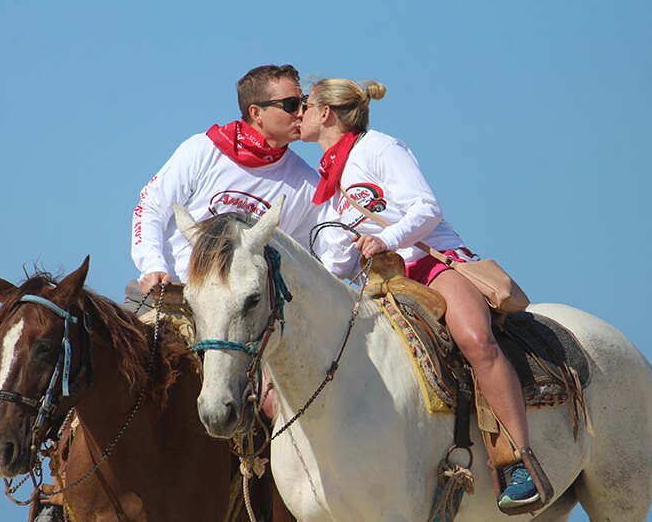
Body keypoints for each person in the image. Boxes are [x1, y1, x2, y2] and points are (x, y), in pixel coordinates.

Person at [300, 77, 542, 511]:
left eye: (304, 103)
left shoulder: (379, 147)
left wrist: (386, 238)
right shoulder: (327, 188)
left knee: (476, 341)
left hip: (431, 263)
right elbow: (337, 266)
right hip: (381, 282)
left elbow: (427, 208)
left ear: (326, 113)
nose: (296, 112)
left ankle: (519, 463)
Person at [126, 64, 322, 309]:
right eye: (291, 105)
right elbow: (150, 208)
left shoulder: (308, 183)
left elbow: (312, 261)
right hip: (169, 297)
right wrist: (153, 266)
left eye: (303, 103)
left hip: (242, 322)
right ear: (256, 113)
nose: (302, 113)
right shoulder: (202, 150)